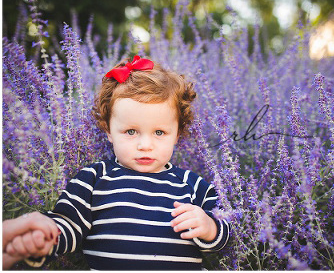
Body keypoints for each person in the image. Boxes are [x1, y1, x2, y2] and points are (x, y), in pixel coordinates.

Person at [3, 56, 231, 269]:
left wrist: (210, 228)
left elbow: (224, 233)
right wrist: (44, 237)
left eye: (159, 132)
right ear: (109, 131)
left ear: (178, 134)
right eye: (131, 131)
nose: (145, 144)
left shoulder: (192, 185)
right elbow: (68, 226)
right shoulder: (94, 179)